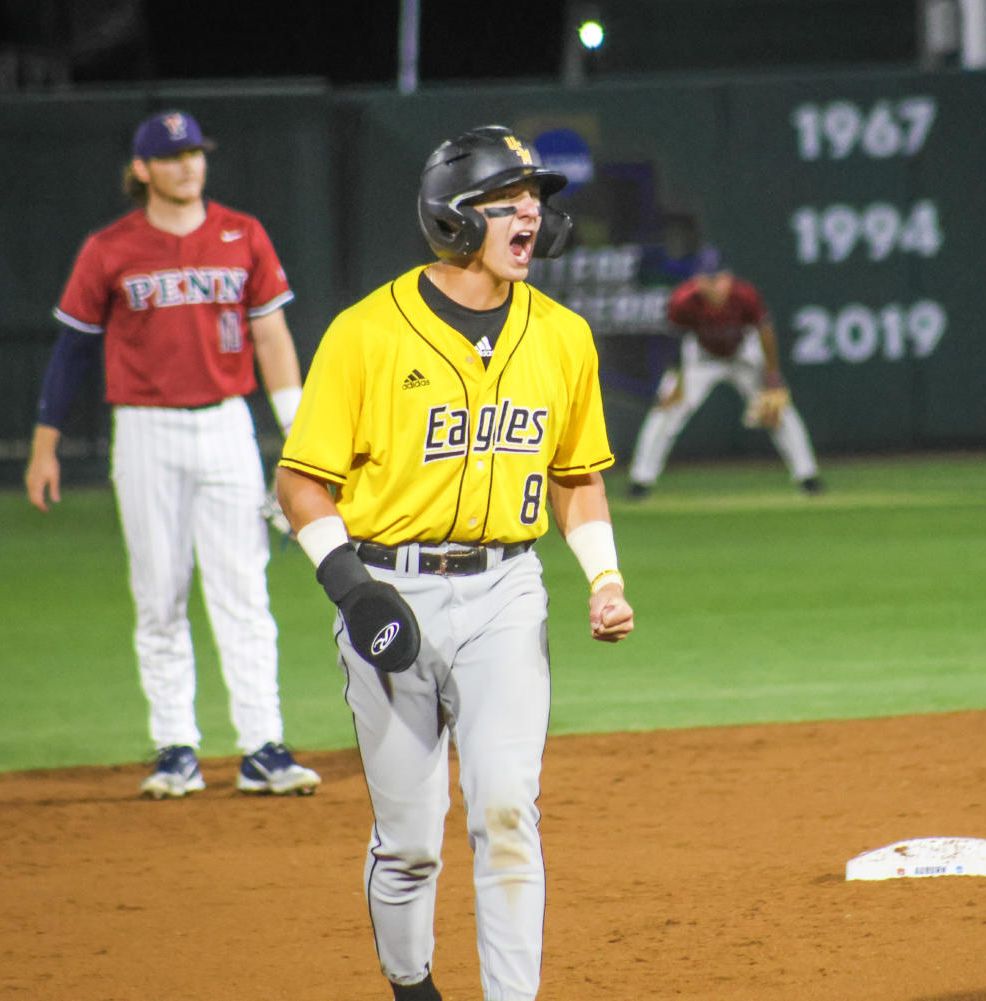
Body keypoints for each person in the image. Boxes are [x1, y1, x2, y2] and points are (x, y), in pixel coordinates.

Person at [277, 125, 635, 1001]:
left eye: (535, 199)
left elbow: (575, 477)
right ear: (453, 216)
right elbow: (298, 483)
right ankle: (412, 986)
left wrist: (604, 575)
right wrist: (352, 591)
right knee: (410, 840)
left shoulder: (562, 336)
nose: (530, 214)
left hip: (508, 590)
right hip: (389, 587)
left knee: (508, 810)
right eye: (507, 199)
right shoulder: (365, 333)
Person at [23, 110, 321, 800]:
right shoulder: (110, 247)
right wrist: (46, 445)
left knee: (243, 591)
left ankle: (262, 746)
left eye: (196, 153)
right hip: (146, 431)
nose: (190, 164)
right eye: (173, 155)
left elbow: (272, 338)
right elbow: (72, 348)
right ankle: (176, 748)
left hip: (225, 426)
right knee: (159, 593)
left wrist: (297, 433)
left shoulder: (242, 234)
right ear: (142, 170)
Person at [626, 247, 824, 497]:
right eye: (708, 279)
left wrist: (772, 375)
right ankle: (640, 480)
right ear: (697, 280)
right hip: (700, 357)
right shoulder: (683, 299)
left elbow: (765, 332)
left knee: (778, 409)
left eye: (719, 278)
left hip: (743, 354)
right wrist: (674, 380)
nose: (714, 285)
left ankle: (807, 476)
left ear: (729, 277)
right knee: (665, 410)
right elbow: (673, 340)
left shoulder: (745, 295)